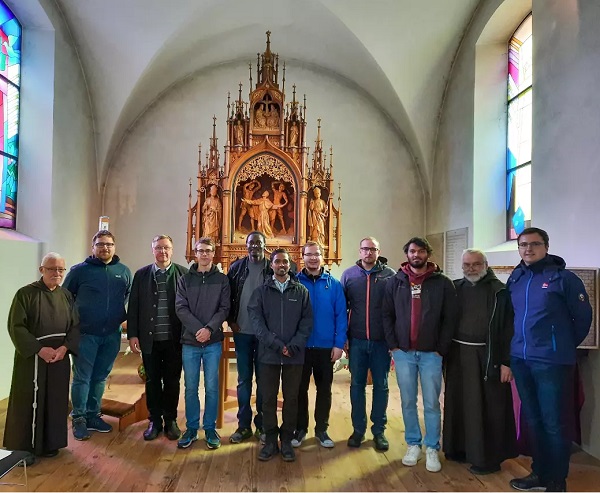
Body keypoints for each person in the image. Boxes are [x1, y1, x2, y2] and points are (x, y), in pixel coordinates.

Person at [507, 227, 592, 492]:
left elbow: (583, 318)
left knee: (554, 422)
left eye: (534, 244)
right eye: (523, 245)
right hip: (521, 359)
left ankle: (556, 480)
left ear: (546, 246)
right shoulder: (517, 277)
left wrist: (561, 345)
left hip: (551, 363)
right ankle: (540, 473)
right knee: (533, 420)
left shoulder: (564, 279)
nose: (528, 249)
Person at [382, 237, 456, 473]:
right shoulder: (395, 282)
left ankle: (432, 446)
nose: (416, 255)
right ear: (407, 254)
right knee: (407, 401)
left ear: (427, 254)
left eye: (421, 251)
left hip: (431, 353)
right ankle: (413, 444)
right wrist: (393, 345)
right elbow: (387, 315)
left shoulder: (442, 283)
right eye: (412, 251)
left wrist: (440, 348)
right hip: (403, 353)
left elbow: (450, 318)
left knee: (432, 402)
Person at [442, 249, 517, 475]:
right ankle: (459, 448)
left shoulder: (499, 292)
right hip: (458, 355)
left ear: (486, 264)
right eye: (466, 265)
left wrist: (506, 362)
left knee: (487, 408)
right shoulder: (455, 288)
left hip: (488, 356)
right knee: (459, 403)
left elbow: (508, 329)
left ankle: (488, 459)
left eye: (476, 264)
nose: (471, 269)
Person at [4, 253, 79, 463]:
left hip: (59, 357)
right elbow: (16, 327)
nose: (57, 273)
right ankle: (23, 448)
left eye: (61, 269)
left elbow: (75, 325)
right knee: (29, 401)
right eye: (52, 269)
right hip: (33, 358)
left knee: (55, 400)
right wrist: (38, 349)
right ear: (41, 270)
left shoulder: (66, 295)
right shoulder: (25, 294)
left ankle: (50, 443)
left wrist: (65, 348)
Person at [64, 230, 132, 441]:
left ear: (114, 247)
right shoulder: (79, 271)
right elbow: (66, 298)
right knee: (82, 377)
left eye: (109, 244)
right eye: (100, 244)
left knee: (100, 377)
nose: (105, 248)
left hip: (111, 334)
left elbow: (126, 296)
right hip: (85, 334)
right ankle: (79, 418)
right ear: (93, 247)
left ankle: (93, 415)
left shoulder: (123, 271)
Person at [248, 248, 313, 462]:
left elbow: (307, 322)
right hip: (269, 354)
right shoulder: (261, 292)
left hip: (294, 354)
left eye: (285, 261)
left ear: (290, 264)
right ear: (272, 264)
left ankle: (286, 440)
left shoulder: (301, 291)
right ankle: (270, 440)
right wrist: (276, 345)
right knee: (268, 398)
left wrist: (293, 346)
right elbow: (257, 323)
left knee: (291, 398)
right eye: (277, 262)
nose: (281, 265)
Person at [127, 235, 188, 441]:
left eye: (166, 248)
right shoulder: (142, 275)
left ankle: (170, 420)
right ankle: (154, 420)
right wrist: (133, 334)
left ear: (172, 250)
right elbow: (134, 306)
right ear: (153, 250)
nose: (163, 251)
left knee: (172, 381)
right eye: (159, 248)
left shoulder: (183, 274)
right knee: (152, 381)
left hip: (174, 339)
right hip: (149, 339)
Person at [340, 236, 395, 451]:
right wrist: (344, 337)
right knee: (357, 386)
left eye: (373, 249)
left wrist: (393, 341)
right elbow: (342, 309)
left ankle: (379, 431)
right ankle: (358, 430)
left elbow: (395, 310)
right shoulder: (349, 275)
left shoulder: (390, 276)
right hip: (357, 341)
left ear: (378, 252)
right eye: (365, 249)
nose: (369, 252)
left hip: (382, 342)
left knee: (381, 386)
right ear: (360, 251)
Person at [175, 237, 230, 450]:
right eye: (201, 250)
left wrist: (209, 329)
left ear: (213, 253)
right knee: (190, 387)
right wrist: (199, 330)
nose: (205, 254)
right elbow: (180, 308)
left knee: (212, 387)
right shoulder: (185, 279)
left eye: (208, 250)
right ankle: (191, 428)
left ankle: (209, 428)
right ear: (195, 253)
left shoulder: (222, 280)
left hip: (212, 342)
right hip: (190, 341)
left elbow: (224, 308)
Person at [292, 241, 347, 449]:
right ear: (303, 257)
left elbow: (341, 316)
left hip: (326, 348)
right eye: (309, 254)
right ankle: (300, 428)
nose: (313, 258)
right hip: (301, 347)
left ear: (322, 257)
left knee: (324, 390)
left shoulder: (334, 285)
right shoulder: (294, 283)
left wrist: (338, 344)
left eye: (317, 254)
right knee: (300, 390)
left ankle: (322, 429)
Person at [227, 231, 270, 444]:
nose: (254, 246)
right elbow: (227, 296)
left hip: (264, 335)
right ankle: (243, 426)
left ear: (265, 245)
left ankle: (262, 425)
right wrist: (230, 320)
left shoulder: (272, 267)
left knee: (263, 380)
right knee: (244, 380)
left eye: (258, 243)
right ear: (246, 245)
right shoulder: (236, 268)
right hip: (242, 331)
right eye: (251, 243)